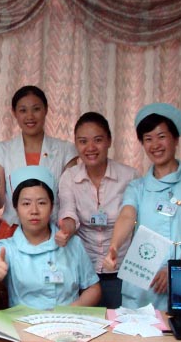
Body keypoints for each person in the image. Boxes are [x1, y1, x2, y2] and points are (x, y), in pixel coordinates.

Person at [103, 103, 181, 311]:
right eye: (148, 139)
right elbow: (127, 216)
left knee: (179, 331)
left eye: (161, 136)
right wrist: (114, 246)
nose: (155, 145)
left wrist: (177, 270)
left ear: (175, 139)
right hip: (141, 286)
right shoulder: (137, 187)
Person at [0, 165, 100, 309]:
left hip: (68, 319)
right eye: (26, 203)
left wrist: (70, 311)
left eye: (41, 203)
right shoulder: (7, 247)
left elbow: (93, 288)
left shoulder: (73, 244)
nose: (34, 211)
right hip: (23, 321)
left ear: (51, 207)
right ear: (16, 208)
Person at [58, 112, 138, 308]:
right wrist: (65, 230)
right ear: (76, 144)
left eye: (98, 140)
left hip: (122, 270)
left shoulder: (130, 176)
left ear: (109, 141)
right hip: (84, 272)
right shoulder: (69, 177)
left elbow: (134, 220)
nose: (91, 148)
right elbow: (68, 212)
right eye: (83, 141)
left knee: (121, 324)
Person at [0, 85, 77, 240]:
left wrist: (67, 227)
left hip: (53, 232)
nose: (30, 116)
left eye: (36, 109)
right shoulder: (1, 150)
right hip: (13, 231)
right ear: (14, 113)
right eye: (23, 110)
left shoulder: (66, 150)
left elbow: (70, 200)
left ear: (46, 110)